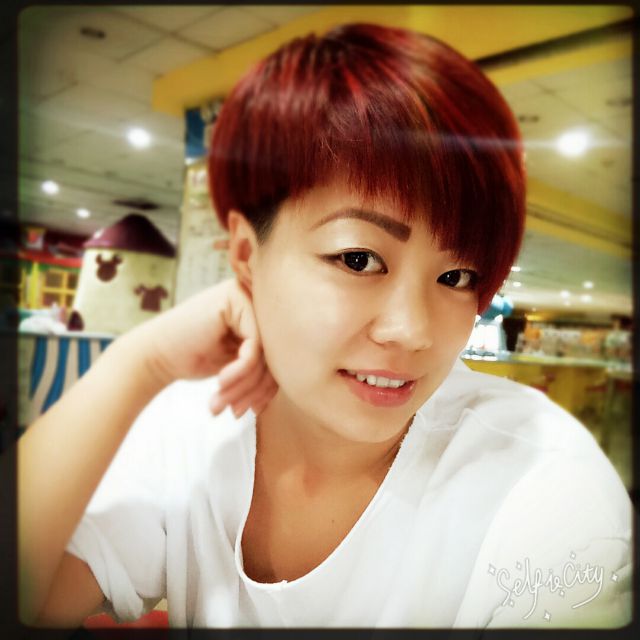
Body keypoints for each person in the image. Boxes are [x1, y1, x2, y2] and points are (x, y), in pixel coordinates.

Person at [18, 22, 632, 629]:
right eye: (358, 259)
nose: (412, 331)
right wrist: (140, 361)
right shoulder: (199, 424)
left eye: (457, 276)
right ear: (246, 257)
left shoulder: (544, 488)